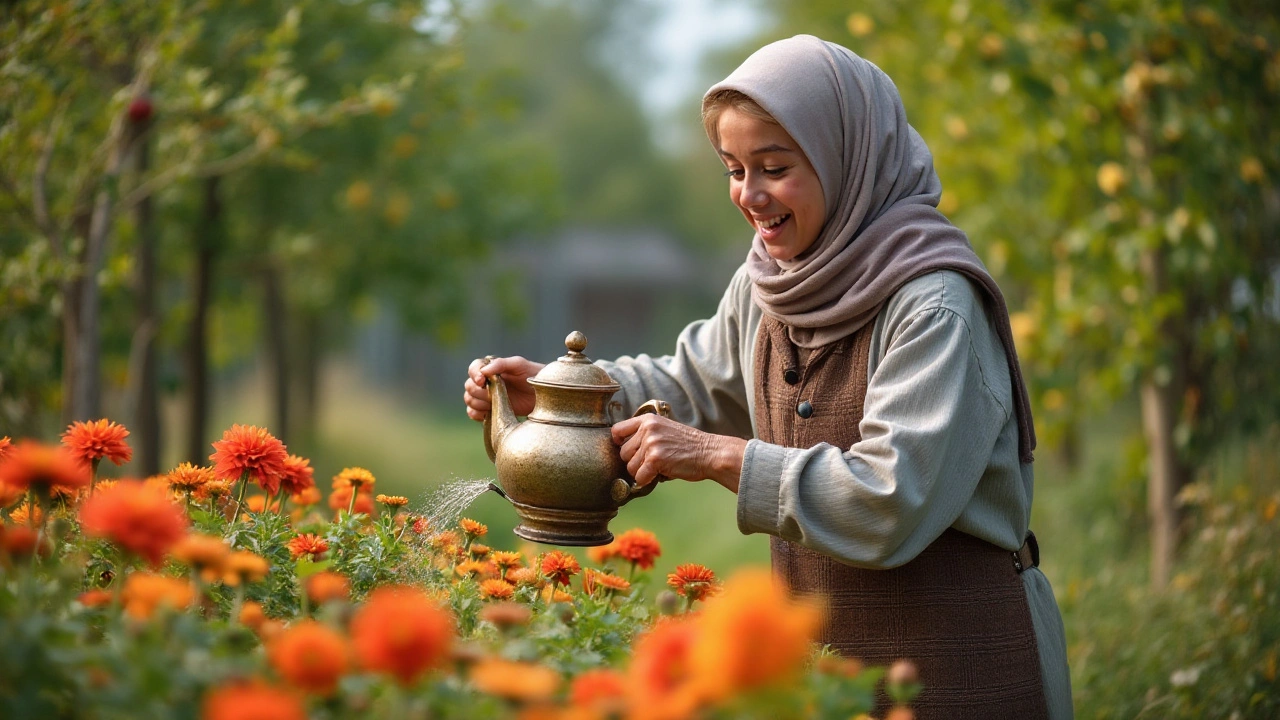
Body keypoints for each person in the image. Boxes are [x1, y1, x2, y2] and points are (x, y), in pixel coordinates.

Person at [464, 34, 1071, 719]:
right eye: (733, 169)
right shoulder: (773, 284)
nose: (750, 195)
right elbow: (694, 380)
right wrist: (561, 392)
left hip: (963, 663)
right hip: (822, 675)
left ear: (847, 159)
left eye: (774, 167)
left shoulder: (933, 304)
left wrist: (720, 457)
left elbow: (893, 499)